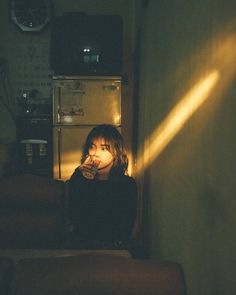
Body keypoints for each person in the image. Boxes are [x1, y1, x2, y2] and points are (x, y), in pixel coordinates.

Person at [68, 124, 137, 249]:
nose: (95, 154)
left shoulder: (127, 185)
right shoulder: (80, 180)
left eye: (103, 149)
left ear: (116, 152)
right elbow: (72, 214)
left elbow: (126, 225)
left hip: (113, 246)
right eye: (92, 147)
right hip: (82, 244)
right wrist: (78, 174)